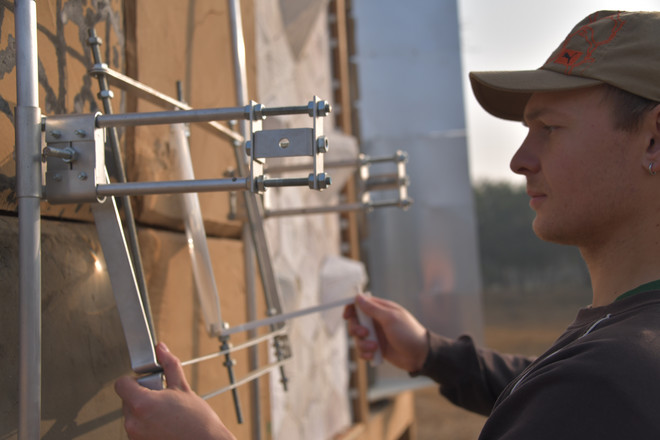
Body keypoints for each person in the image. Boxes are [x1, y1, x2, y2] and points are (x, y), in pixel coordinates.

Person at [116, 10, 660, 439]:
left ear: (654, 139)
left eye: (550, 128)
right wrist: (429, 352)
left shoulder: (611, 379)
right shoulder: (622, 348)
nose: (520, 159)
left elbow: (579, 397)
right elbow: (551, 393)